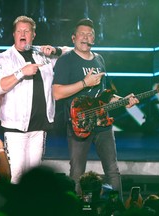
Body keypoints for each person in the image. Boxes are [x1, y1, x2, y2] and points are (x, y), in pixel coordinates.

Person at [52, 18, 139, 199]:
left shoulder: (99, 59)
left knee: (113, 171)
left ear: (94, 38)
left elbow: (104, 96)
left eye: (90, 34)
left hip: (103, 124)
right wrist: (85, 83)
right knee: (77, 173)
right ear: (73, 38)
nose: (86, 37)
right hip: (79, 125)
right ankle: (74, 209)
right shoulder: (66, 60)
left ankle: (116, 209)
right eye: (82, 34)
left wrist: (124, 100)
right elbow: (57, 93)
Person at [0, 15, 69, 183]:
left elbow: (71, 52)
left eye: (27, 31)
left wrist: (54, 50)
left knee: (35, 177)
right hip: (16, 128)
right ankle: (15, 209)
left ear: (33, 35)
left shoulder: (42, 54)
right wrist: (21, 72)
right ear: (13, 34)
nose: (23, 33)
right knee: (16, 176)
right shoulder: (5, 58)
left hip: (39, 126)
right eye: (19, 30)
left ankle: (32, 209)